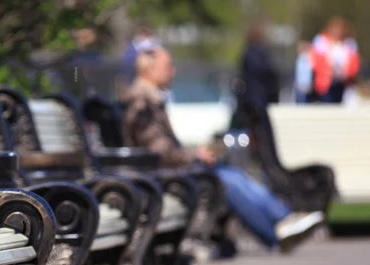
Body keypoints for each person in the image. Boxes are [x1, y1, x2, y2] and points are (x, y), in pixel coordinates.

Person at [121, 45, 325, 252]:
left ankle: (284, 220)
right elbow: (160, 152)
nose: (172, 71)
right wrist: (194, 155)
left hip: (169, 170)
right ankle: (276, 232)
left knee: (232, 174)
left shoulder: (149, 99)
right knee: (227, 180)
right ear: (149, 70)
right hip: (160, 176)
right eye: (167, 66)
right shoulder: (141, 103)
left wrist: (195, 155)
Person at [309, 17, 360, 103]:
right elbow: (316, 60)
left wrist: (347, 73)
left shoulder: (350, 43)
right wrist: (328, 71)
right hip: (326, 83)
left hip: (344, 82)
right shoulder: (322, 41)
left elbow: (355, 63)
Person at [238, 23, 280, 110]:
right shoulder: (254, 52)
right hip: (256, 94)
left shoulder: (250, 51)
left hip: (255, 93)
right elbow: (261, 69)